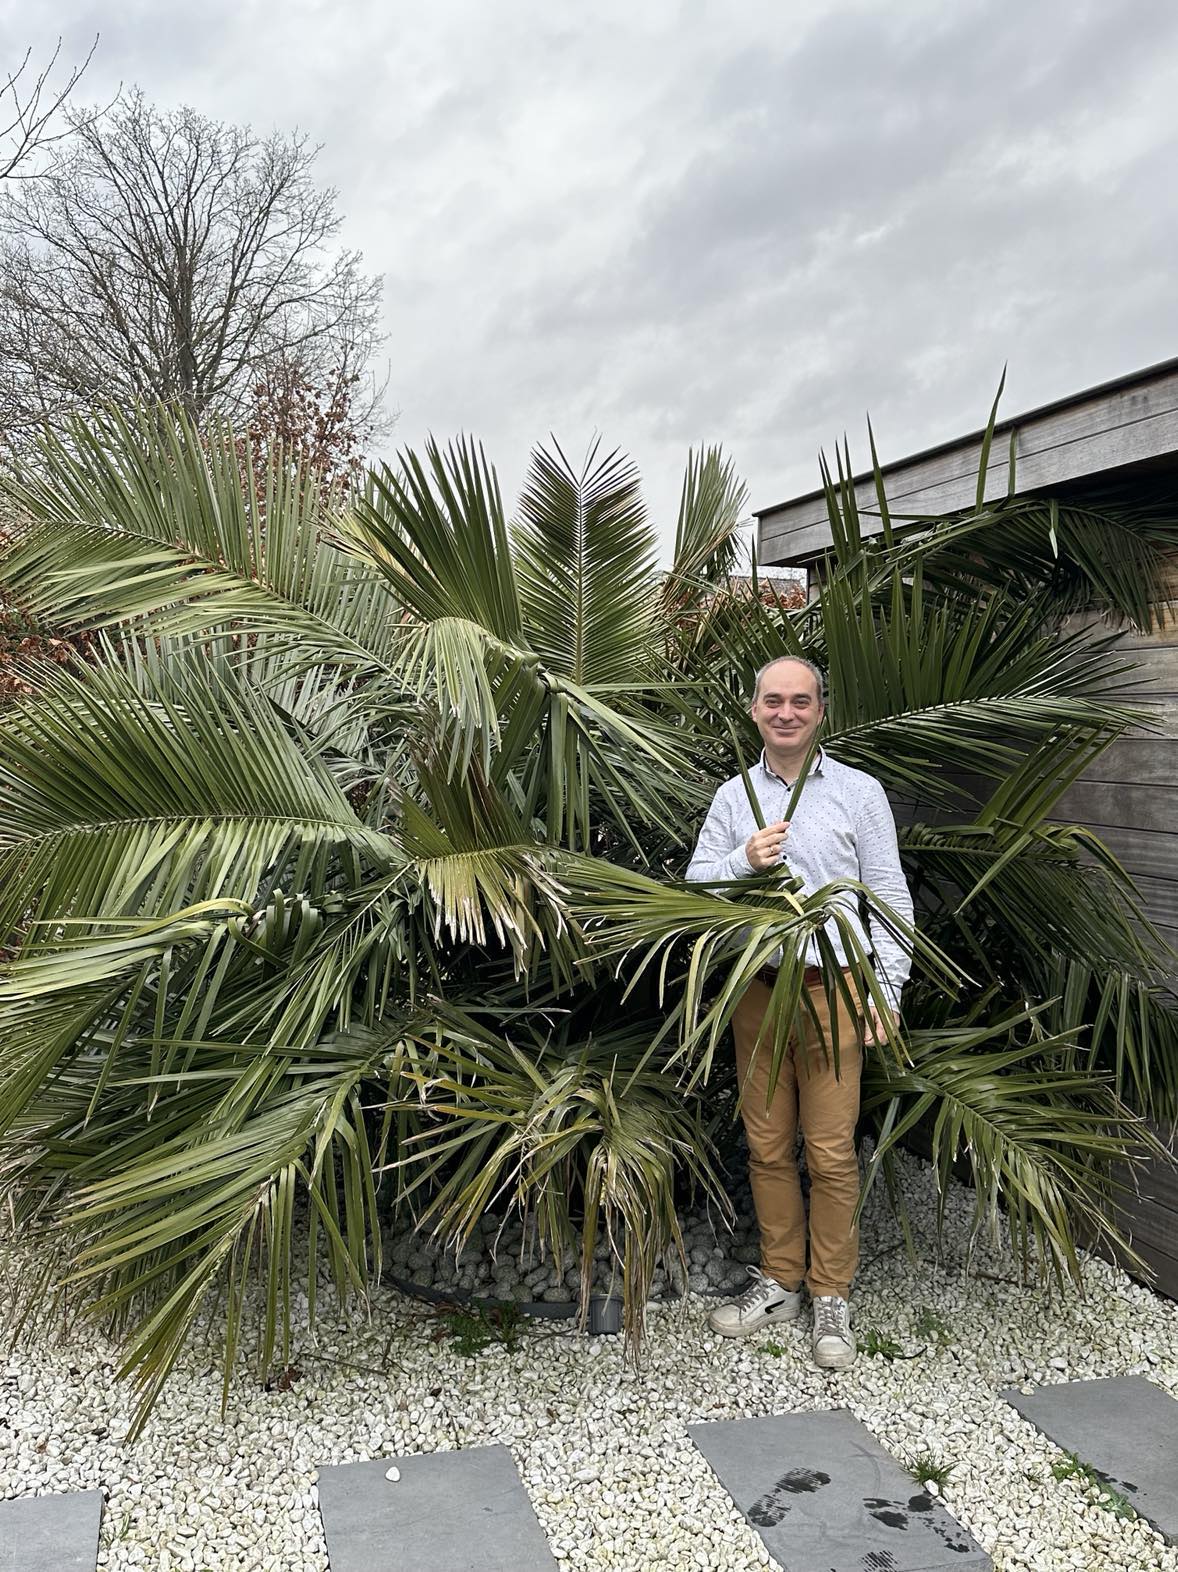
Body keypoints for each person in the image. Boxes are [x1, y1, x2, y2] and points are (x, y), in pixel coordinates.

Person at [686, 656, 912, 1369]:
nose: (786, 713)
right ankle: (782, 1280)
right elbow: (695, 885)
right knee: (766, 1145)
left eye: (801, 701)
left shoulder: (858, 792)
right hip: (757, 991)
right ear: (754, 710)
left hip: (835, 989)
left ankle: (831, 1292)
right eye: (774, 701)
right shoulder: (733, 797)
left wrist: (888, 993)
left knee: (833, 1150)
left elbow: (891, 899)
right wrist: (743, 861)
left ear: (820, 711)